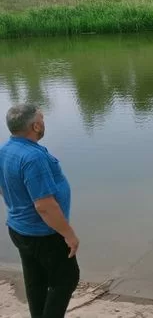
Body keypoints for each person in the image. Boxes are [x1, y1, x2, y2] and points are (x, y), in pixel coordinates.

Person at [0, 104, 80, 318]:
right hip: (43, 234)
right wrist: (69, 235)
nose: (44, 123)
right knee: (66, 279)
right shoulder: (33, 158)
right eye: (42, 120)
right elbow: (44, 206)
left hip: (18, 229)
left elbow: (3, 186)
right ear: (35, 126)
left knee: (36, 280)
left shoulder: (5, 151)